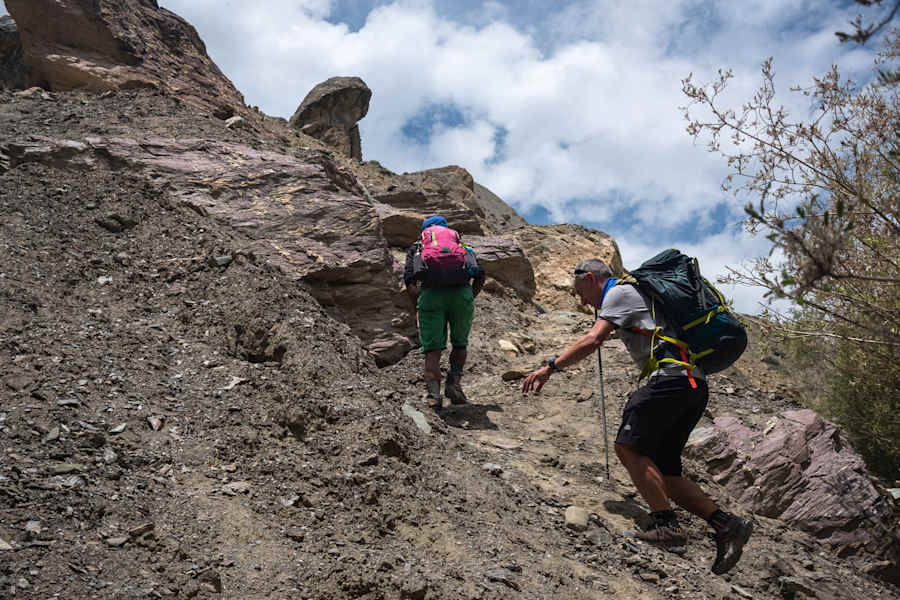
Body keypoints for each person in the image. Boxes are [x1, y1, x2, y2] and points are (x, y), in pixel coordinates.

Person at [521, 258, 753, 575]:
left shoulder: (619, 293)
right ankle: (727, 525)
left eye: (581, 292)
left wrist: (549, 368)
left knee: (628, 448)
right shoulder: (640, 296)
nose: (582, 300)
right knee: (666, 472)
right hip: (693, 384)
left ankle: (667, 526)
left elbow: (593, 339)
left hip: (669, 381)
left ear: (591, 278)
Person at [404, 215, 485, 411]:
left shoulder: (418, 248)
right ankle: (453, 385)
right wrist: (470, 296)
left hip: (431, 296)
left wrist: (419, 304)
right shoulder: (463, 246)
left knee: (433, 350)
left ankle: (434, 396)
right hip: (462, 295)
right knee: (459, 343)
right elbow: (480, 274)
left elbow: (409, 281)